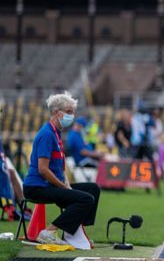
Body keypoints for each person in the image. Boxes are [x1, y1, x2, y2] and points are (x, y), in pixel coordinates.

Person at [23, 92, 100, 245]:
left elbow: (58, 167)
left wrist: (67, 185)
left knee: (93, 189)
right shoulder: (47, 134)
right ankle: (49, 231)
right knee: (86, 199)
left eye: (73, 112)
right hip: (37, 187)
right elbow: (43, 170)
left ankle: (76, 232)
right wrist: (64, 187)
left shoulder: (56, 133)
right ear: (57, 112)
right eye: (69, 111)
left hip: (49, 185)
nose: (72, 116)